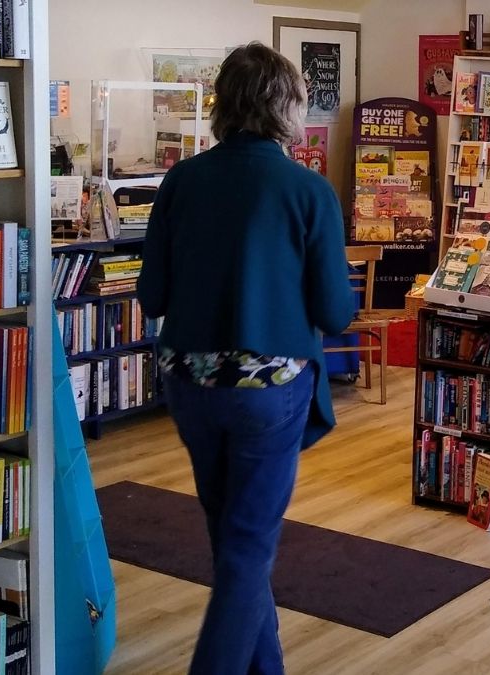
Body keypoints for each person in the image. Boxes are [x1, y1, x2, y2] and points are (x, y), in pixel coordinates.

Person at [138, 41, 354, 675]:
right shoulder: (308, 191)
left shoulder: (182, 180)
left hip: (189, 383)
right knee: (247, 548)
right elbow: (336, 313)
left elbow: (152, 295)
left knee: (233, 543)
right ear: (284, 107)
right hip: (270, 390)